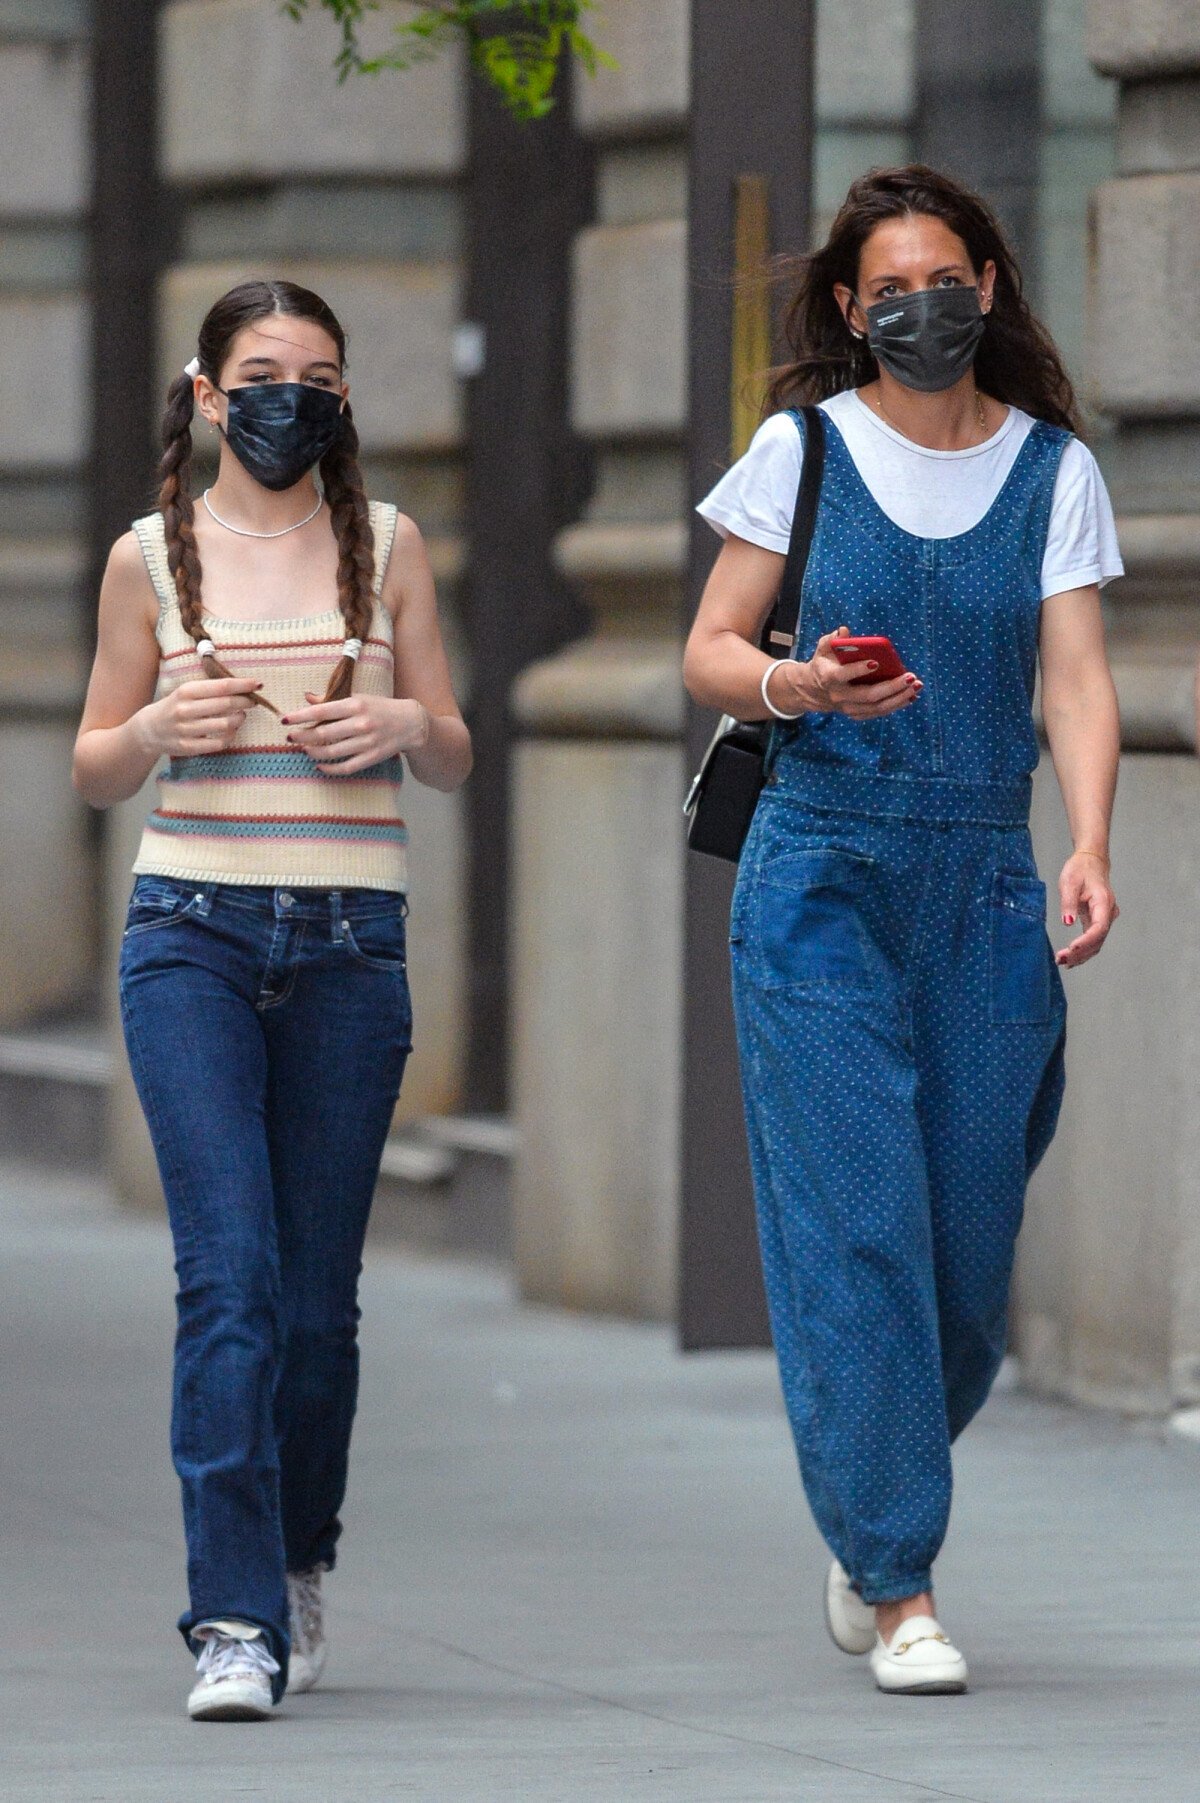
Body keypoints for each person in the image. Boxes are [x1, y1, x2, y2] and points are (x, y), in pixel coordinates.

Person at [684, 167, 1121, 1695]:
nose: (920, 305)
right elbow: (710, 648)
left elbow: (1073, 677)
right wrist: (796, 684)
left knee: (965, 1243)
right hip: (821, 876)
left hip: (986, 883)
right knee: (859, 1219)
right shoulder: (801, 449)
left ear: (989, 288)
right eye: (888, 289)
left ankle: (873, 1481)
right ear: (850, 312)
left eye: (946, 277)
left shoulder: (1055, 469)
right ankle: (899, 1579)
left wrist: (1090, 845)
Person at [73, 279, 471, 1721]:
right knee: (227, 1283)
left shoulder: (390, 548)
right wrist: (155, 726)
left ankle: (302, 1554)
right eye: (258, 372)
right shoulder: (148, 562)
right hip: (192, 938)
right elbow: (95, 762)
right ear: (205, 394)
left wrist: (404, 721)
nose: (285, 395)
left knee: (316, 1312)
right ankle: (232, 1617)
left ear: (344, 399)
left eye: (313, 373)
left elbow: (454, 747)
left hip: (351, 951)